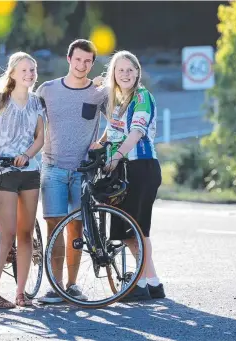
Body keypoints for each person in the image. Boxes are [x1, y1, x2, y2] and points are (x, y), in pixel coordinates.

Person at [36, 39, 107, 304]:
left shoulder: (100, 93)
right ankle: (54, 287)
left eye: (88, 61)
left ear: (92, 63)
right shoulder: (47, 90)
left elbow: (117, 121)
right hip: (52, 168)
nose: (82, 65)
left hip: (82, 172)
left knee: (75, 229)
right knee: (54, 228)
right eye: (78, 60)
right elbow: (30, 121)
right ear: (69, 59)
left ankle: (72, 285)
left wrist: (100, 144)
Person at [97, 50, 165, 301]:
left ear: (138, 72)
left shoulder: (142, 97)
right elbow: (112, 130)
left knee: (137, 229)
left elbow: (136, 132)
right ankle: (153, 283)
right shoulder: (119, 99)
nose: (125, 74)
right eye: (120, 70)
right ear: (113, 74)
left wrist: (115, 157)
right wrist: (97, 146)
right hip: (124, 168)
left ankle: (139, 284)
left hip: (141, 166)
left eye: (130, 69)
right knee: (129, 231)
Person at [0, 52, 45, 309]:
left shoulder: (37, 102)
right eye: (24, 70)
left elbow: (40, 138)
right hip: (3, 172)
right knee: (5, 234)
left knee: (26, 233)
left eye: (32, 70)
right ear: (13, 73)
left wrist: (27, 155)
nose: (29, 74)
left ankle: (21, 294)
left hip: (29, 171)